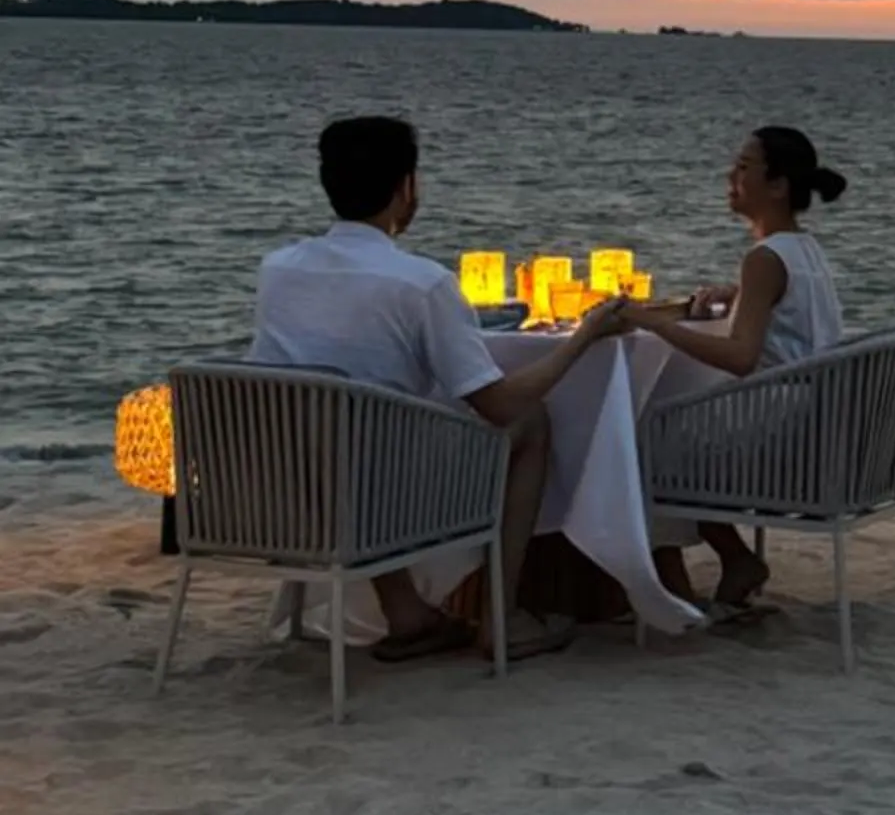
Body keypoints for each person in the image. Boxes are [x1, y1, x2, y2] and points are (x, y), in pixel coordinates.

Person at [250, 115, 629, 665]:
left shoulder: (277, 268)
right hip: (386, 501)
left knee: (356, 434)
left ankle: (407, 613)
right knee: (530, 421)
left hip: (278, 486)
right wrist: (584, 337)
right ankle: (501, 617)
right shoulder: (421, 282)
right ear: (407, 187)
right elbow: (497, 405)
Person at [626, 124, 847, 612]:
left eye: (744, 166)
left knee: (641, 437)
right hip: (813, 415)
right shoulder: (804, 250)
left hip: (779, 422)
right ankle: (732, 558)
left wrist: (650, 322)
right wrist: (740, 296)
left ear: (777, 185)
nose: (731, 175)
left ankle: (673, 589)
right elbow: (784, 316)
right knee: (667, 427)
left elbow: (741, 357)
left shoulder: (764, 258)